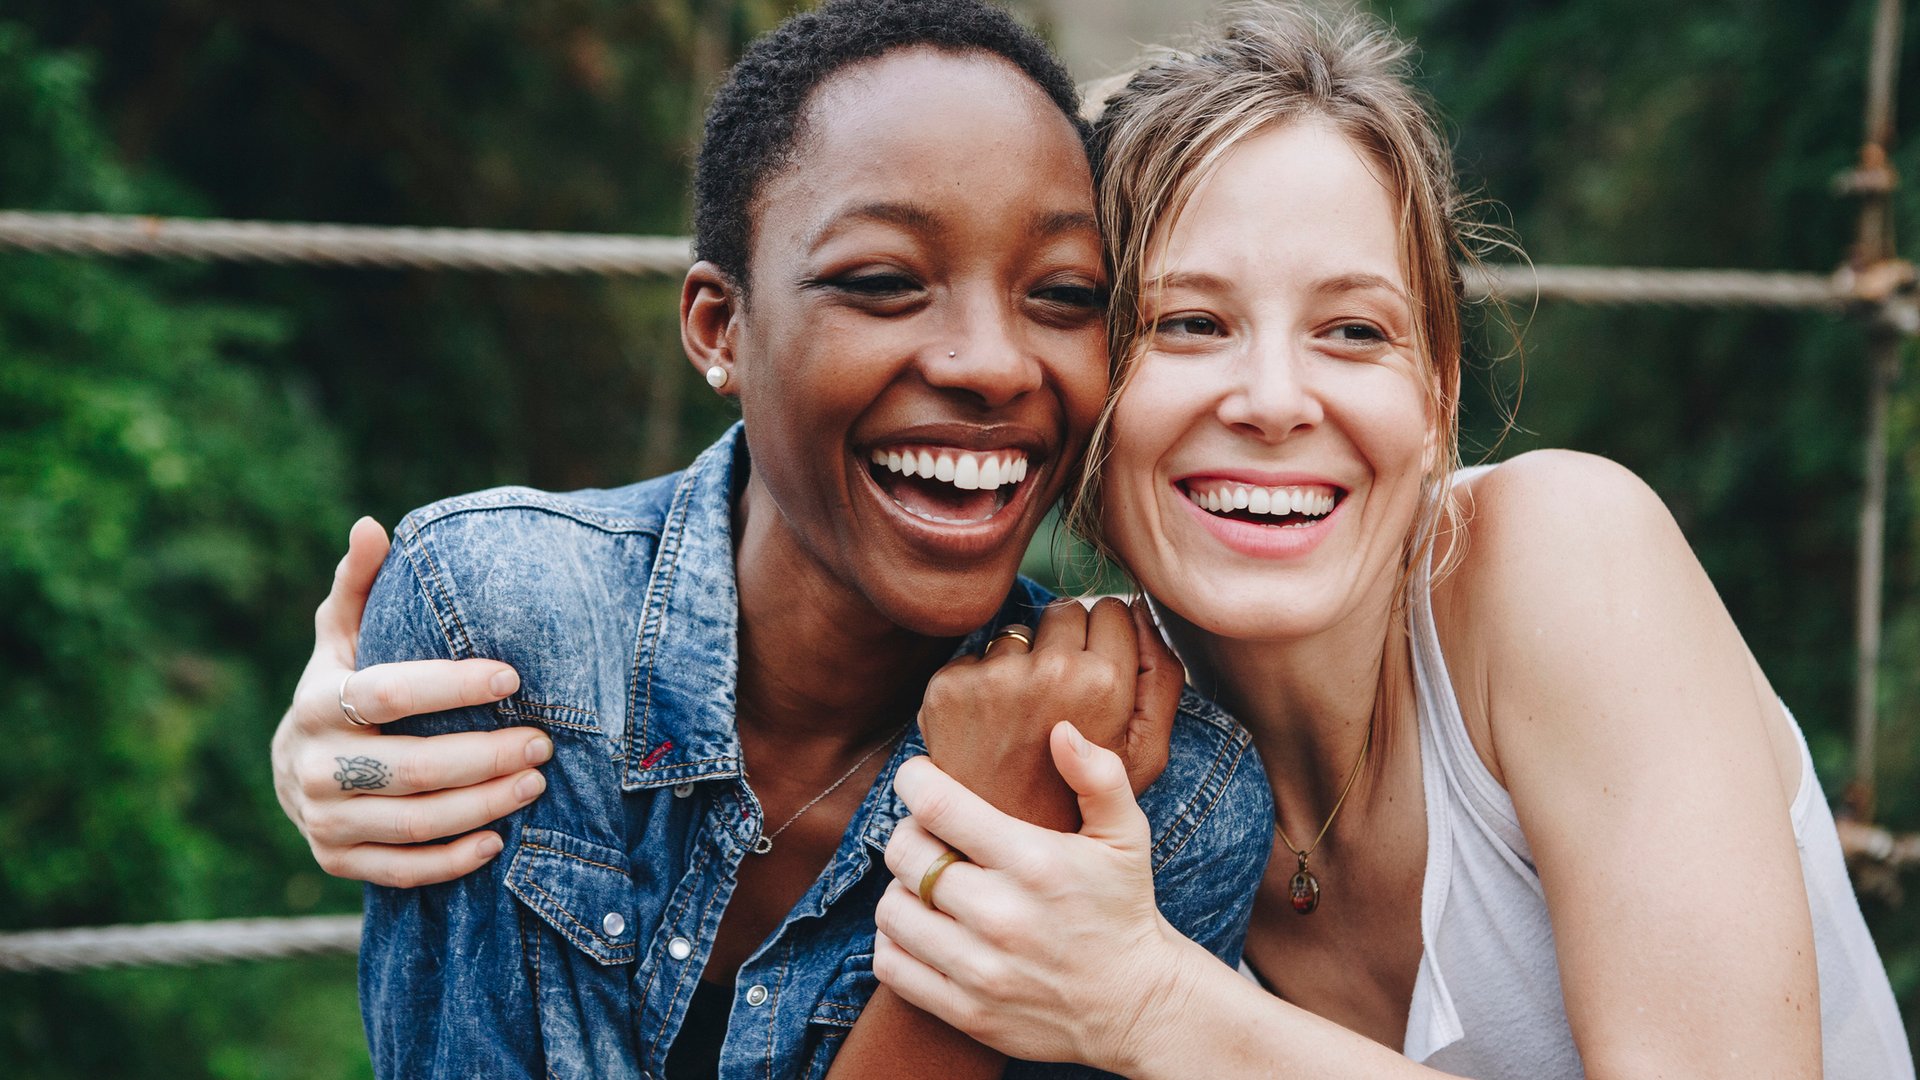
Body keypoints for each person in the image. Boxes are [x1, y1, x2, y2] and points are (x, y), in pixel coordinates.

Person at [867, 6, 1915, 1079]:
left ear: (1438, 397)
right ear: (1085, 395)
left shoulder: (1567, 555)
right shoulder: (1116, 757)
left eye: (1353, 331)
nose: (1274, 401)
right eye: (1188, 324)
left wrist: (1150, 1007)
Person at [271, 1, 1274, 1077]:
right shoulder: (505, 628)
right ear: (721, 328)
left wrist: (1009, 843)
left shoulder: (1161, 797)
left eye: (1065, 295)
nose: (991, 364)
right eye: (884, 282)